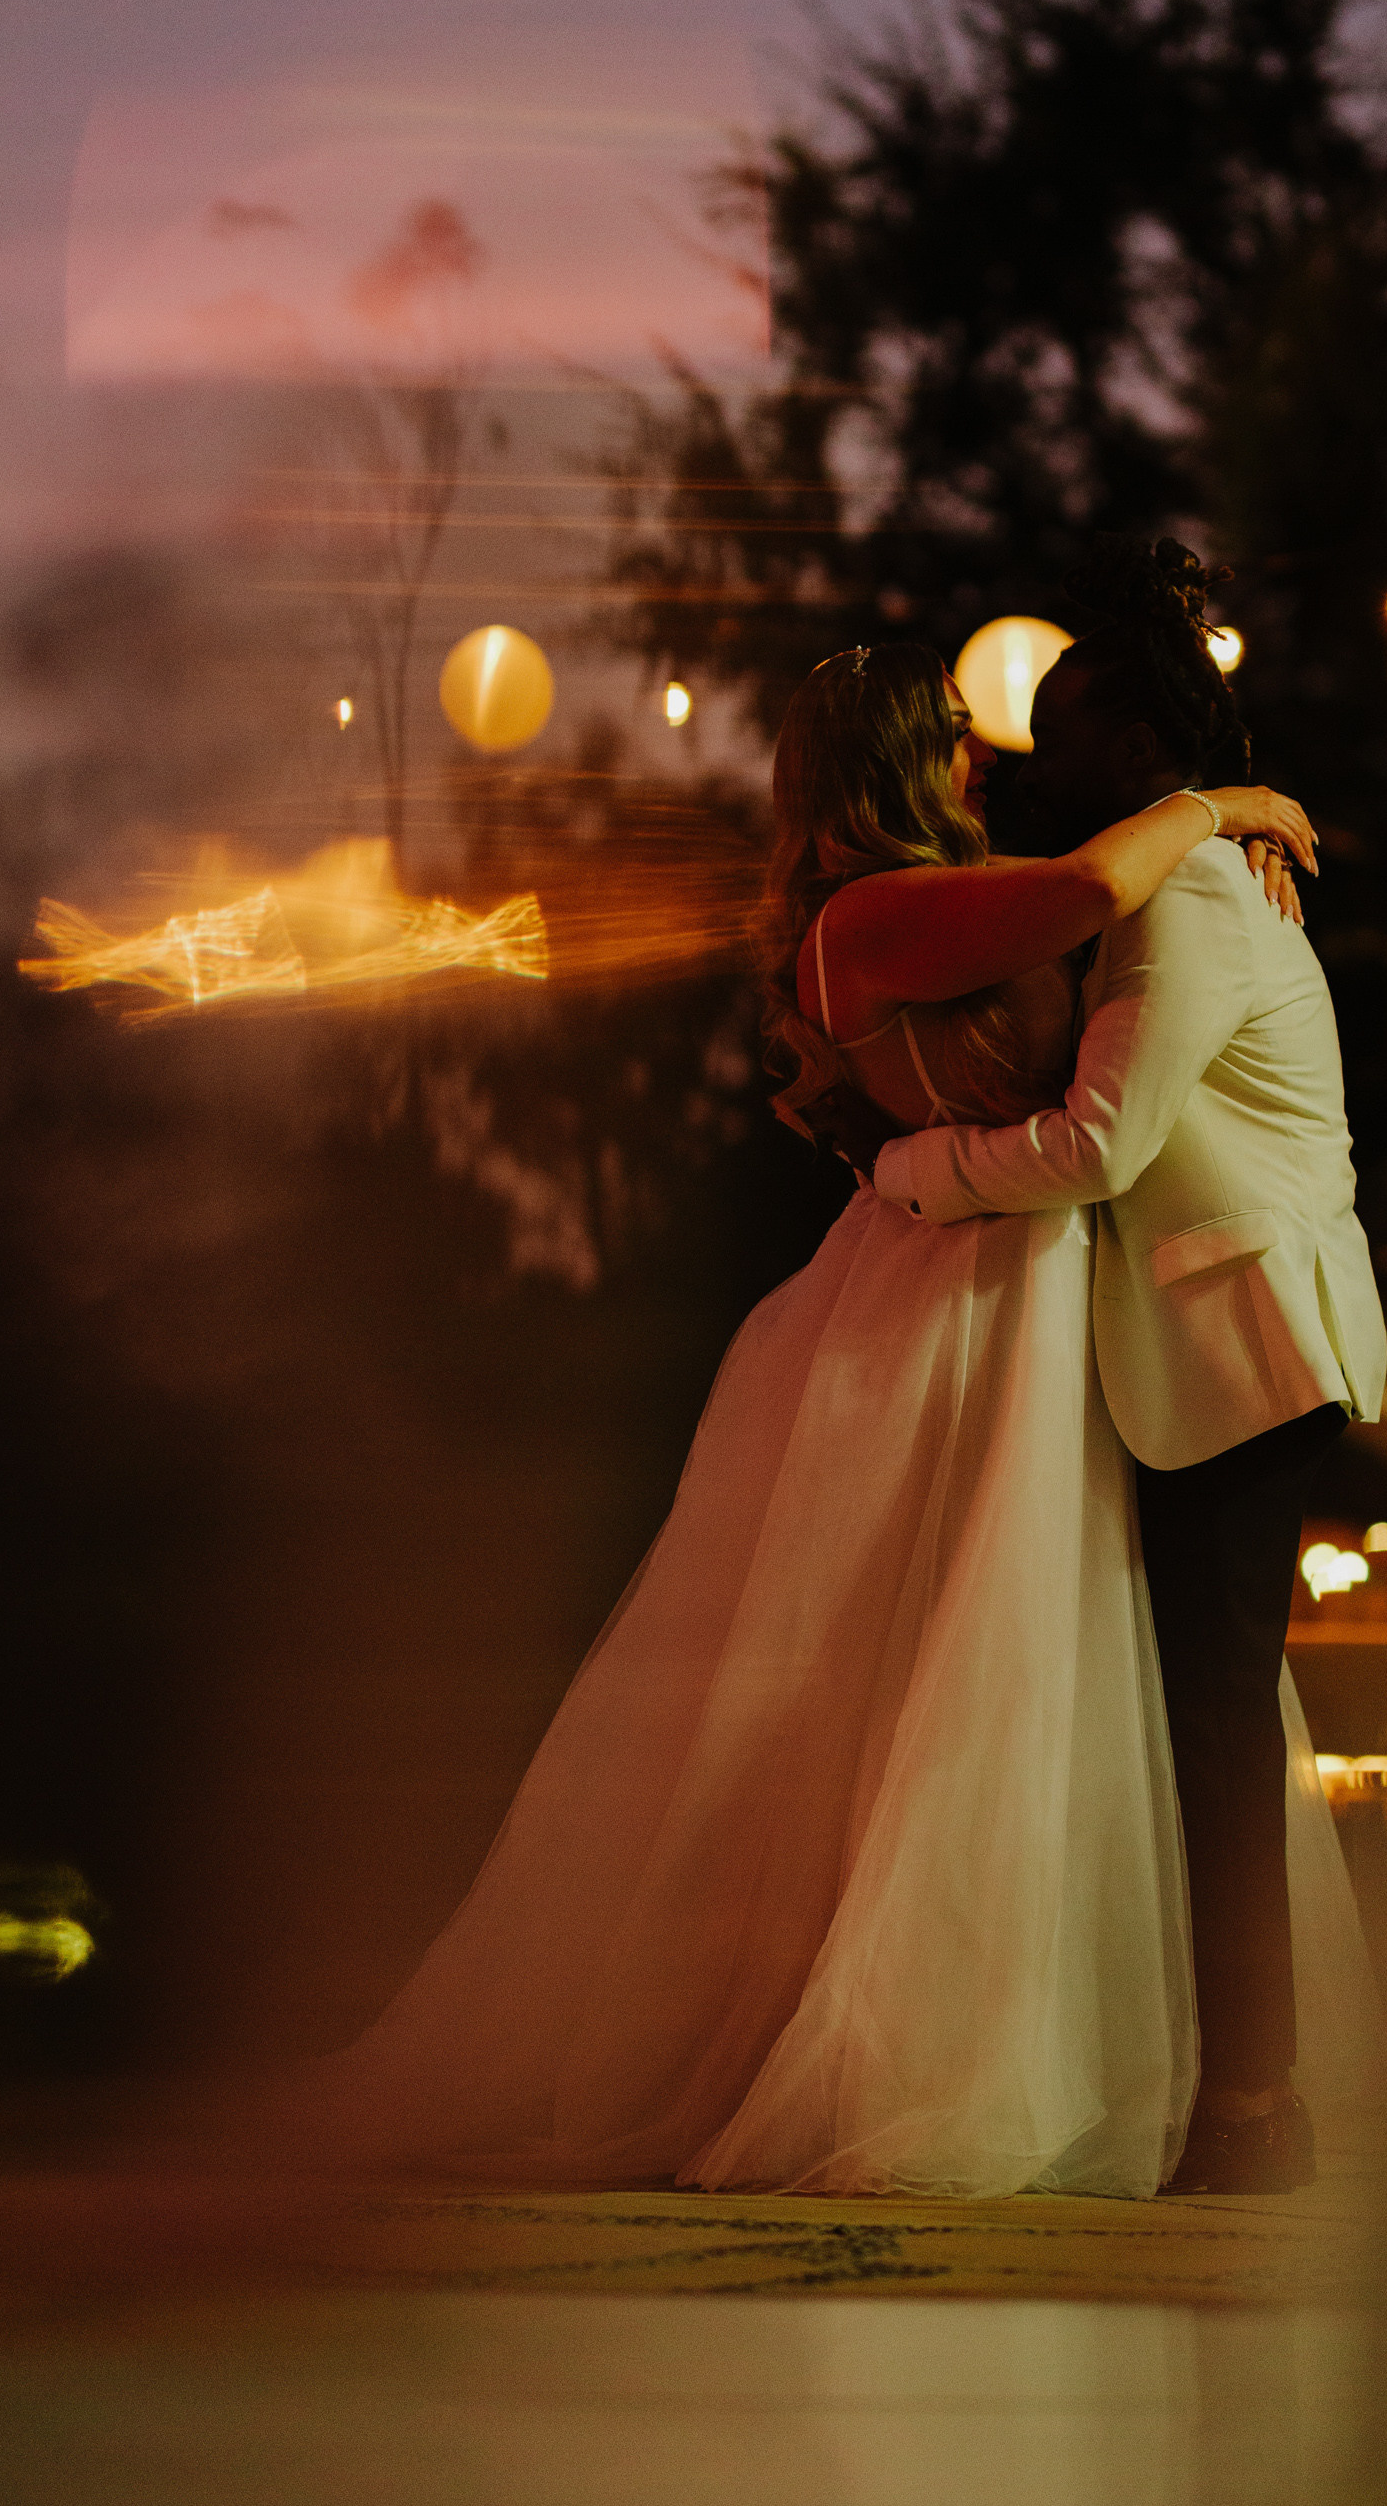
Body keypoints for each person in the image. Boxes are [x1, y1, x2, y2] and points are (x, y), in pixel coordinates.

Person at [302, 640, 1334, 2198]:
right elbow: (1087, 892)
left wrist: (1213, 838)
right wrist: (1233, 803)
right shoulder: (870, 919)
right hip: (951, 1295)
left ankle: (1104, 2049)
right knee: (926, 1689)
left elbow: (1104, 914)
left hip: (1030, 1289)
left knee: (1023, 1686)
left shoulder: (944, 896)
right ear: (893, 762)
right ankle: (897, 2049)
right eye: (954, 736)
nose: (983, 758)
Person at [870, 542, 1387, 2194]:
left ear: (1144, 745)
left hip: (1242, 1349)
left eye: (1070, 731)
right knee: (1203, 1731)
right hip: (1235, 1341)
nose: (1038, 759)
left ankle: (1254, 2107)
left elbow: (1101, 1143)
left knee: (1218, 1737)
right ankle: (1232, 2095)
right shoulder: (1197, 870)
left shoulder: (1188, 900)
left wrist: (913, 1174)